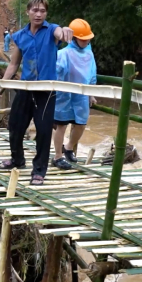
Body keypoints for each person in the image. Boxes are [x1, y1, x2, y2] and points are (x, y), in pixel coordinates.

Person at [1, 0, 74, 185]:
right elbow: (14, 63)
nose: (38, 14)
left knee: (43, 131)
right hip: (25, 88)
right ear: (28, 12)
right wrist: (2, 84)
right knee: (15, 126)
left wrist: (65, 31)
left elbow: (60, 32)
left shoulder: (51, 30)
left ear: (46, 13)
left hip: (46, 90)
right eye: (35, 10)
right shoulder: (20, 36)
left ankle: (39, 170)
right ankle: (17, 160)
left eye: (42, 10)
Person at [52, 19, 97, 169]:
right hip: (64, 94)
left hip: (82, 94)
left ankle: (69, 147)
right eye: (82, 39)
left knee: (81, 124)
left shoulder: (89, 54)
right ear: (74, 38)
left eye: (87, 39)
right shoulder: (63, 53)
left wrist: (91, 93)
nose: (85, 42)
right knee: (61, 125)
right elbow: (56, 73)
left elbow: (92, 74)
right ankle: (58, 156)